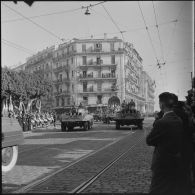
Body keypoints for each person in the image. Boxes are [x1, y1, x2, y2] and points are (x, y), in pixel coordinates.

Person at [146, 92, 183, 195]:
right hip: (175, 162)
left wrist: (157, 119)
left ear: (162, 105)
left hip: (161, 164)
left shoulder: (161, 122)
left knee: (156, 190)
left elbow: (149, 140)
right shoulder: (178, 120)